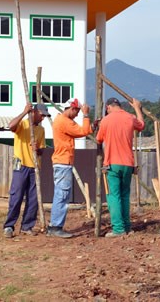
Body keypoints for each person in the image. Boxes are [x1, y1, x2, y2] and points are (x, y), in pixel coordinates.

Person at [96, 97, 145, 237]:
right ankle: (127, 226)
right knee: (124, 195)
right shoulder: (130, 117)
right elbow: (141, 125)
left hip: (112, 163)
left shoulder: (106, 120)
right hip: (128, 164)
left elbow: (99, 139)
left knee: (114, 196)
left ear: (108, 107)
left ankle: (118, 229)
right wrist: (137, 108)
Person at [3, 103, 50, 238]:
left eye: (45, 116)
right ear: (34, 112)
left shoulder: (41, 130)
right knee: (16, 196)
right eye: (41, 115)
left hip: (35, 167)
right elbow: (11, 126)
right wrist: (24, 112)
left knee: (33, 199)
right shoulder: (22, 124)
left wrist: (38, 149)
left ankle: (27, 226)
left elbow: (42, 150)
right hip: (21, 165)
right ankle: (9, 226)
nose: (43, 118)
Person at [48, 98, 92, 238]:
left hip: (62, 161)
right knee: (62, 195)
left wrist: (92, 125)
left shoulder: (63, 121)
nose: (78, 115)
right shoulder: (64, 122)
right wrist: (86, 115)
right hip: (63, 162)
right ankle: (56, 227)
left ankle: (55, 226)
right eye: (77, 111)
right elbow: (83, 131)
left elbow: (81, 130)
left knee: (61, 194)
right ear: (72, 108)